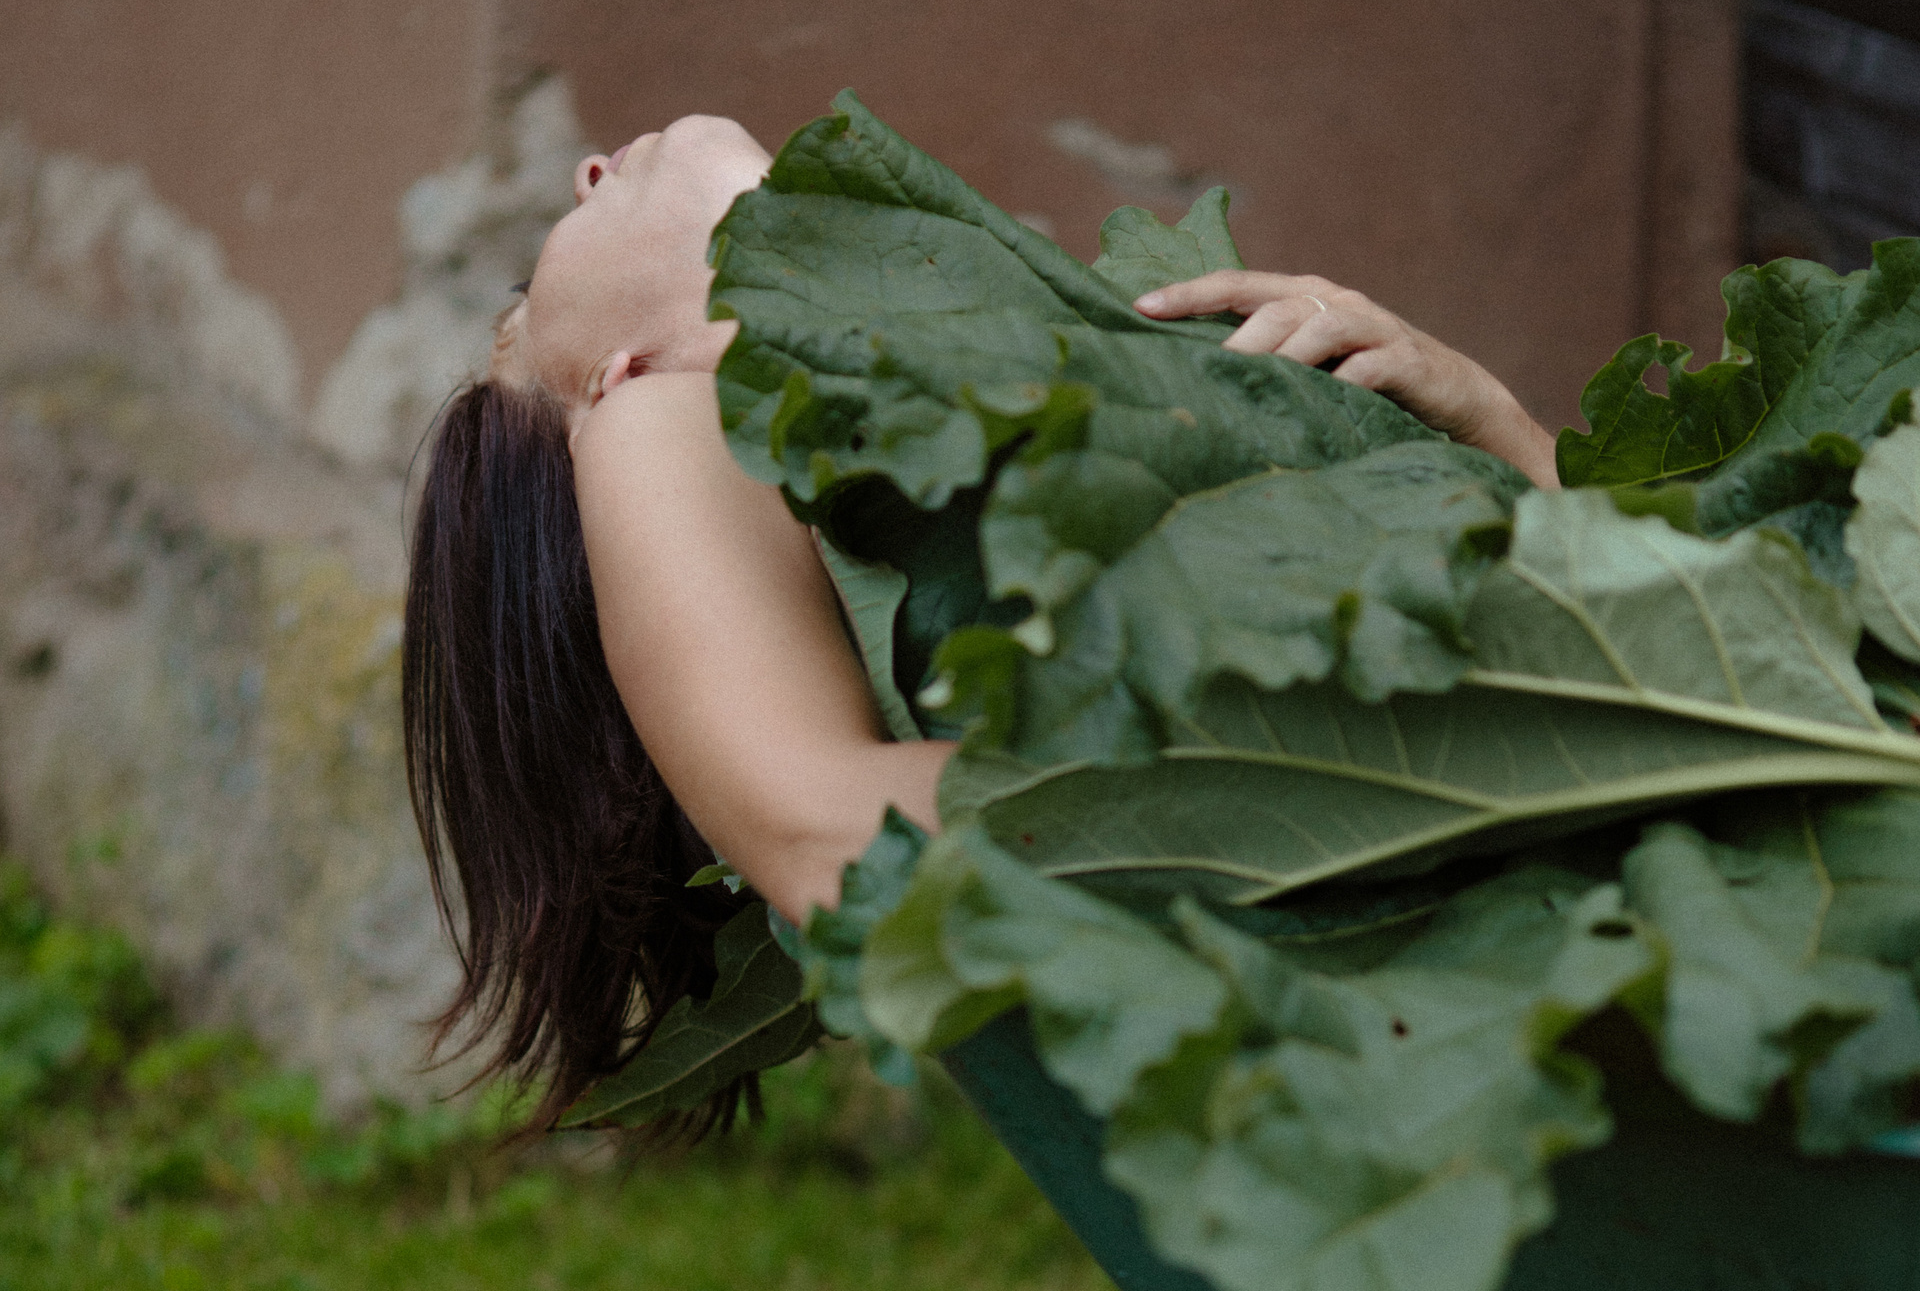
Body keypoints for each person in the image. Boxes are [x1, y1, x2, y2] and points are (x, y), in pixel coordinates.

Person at [402, 114, 1563, 1125]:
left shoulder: (982, 436)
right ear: (614, 371)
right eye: (522, 297)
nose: (589, 171)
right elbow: (828, 840)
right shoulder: (644, 425)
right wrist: (1388, 779)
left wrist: (1492, 419)